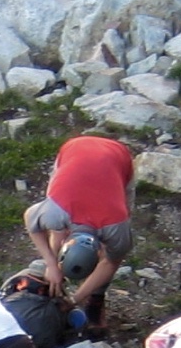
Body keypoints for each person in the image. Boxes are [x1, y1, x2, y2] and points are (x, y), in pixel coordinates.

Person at [23, 133, 136, 328]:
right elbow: (30, 221)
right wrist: (51, 264)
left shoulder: (117, 230)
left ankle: (96, 299)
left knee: (111, 252)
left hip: (118, 157)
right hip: (76, 149)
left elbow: (111, 262)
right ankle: (55, 277)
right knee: (57, 230)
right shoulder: (55, 212)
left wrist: (75, 299)